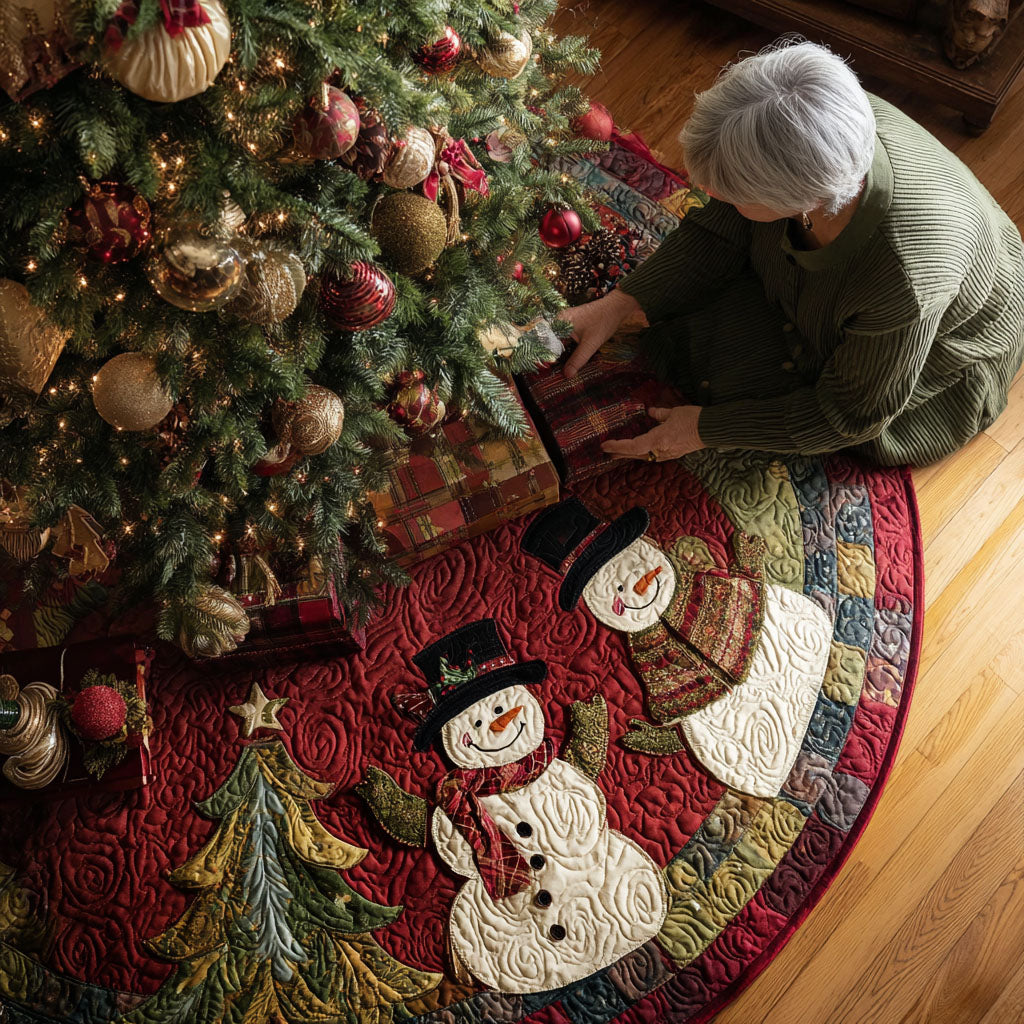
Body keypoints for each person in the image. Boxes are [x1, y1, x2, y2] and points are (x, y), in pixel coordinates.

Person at [561, 39, 1024, 467]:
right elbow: (721, 228)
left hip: (940, 349)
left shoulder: (902, 281)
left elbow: (848, 413)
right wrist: (623, 301)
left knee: (718, 378)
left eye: (732, 192)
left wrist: (704, 429)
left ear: (802, 201)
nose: (703, 193)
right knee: (684, 325)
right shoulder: (814, 113)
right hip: (862, 273)